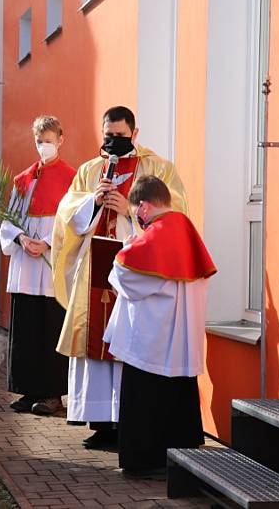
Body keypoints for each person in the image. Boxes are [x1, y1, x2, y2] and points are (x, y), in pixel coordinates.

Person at [51, 106, 188, 450]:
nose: (113, 142)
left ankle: (127, 418)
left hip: (136, 266)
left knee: (127, 339)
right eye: (108, 135)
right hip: (95, 263)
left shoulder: (157, 168)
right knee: (95, 338)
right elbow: (66, 212)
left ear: (134, 133)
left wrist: (128, 208)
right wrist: (92, 204)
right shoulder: (89, 170)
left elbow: (176, 213)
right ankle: (100, 422)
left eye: (121, 136)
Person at [105, 175, 216, 476]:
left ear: (142, 207)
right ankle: (183, 458)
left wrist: (127, 248)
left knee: (146, 398)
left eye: (134, 212)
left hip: (155, 339)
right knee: (179, 397)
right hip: (184, 336)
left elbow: (126, 277)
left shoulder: (157, 235)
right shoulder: (185, 228)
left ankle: (144, 460)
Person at [0, 115, 75, 416]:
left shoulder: (72, 178)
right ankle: (28, 390)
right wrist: (19, 239)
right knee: (26, 330)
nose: (43, 146)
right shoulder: (23, 179)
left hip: (48, 265)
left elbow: (72, 222)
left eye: (48, 140)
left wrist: (45, 242)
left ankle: (52, 395)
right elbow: (9, 220)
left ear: (60, 139)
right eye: (38, 141)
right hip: (25, 265)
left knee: (49, 328)